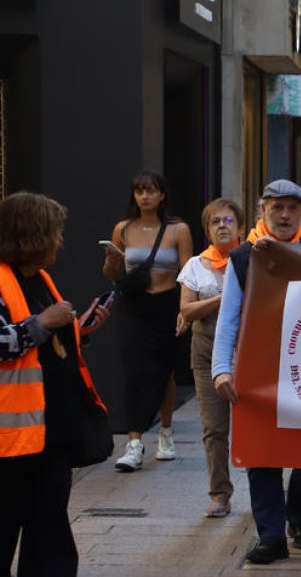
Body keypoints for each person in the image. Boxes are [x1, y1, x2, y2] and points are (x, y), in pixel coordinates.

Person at [211, 180, 301, 565]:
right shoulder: (243, 256)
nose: (284, 215)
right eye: (276, 207)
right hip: (259, 369)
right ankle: (271, 535)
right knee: (261, 452)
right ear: (262, 210)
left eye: (291, 208)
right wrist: (221, 369)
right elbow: (229, 318)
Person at [0, 192, 110, 577]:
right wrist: (43, 322)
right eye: (55, 231)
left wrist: (80, 330)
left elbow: (48, 348)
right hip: (9, 444)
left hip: (52, 436)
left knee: (50, 541)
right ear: (31, 234)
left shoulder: (41, 279)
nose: (61, 241)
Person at [101, 170, 193, 472]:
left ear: (162, 194)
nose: (145, 196)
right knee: (134, 372)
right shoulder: (123, 229)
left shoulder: (178, 230)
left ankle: (165, 431)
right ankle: (134, 442)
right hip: (133, 307)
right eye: (140, 191)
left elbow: (188, 274)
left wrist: (185, 310)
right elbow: (110, 273)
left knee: (164, 371)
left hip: (166, 304)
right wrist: (112, 261)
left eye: (151, 190)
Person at [176, 198, 245, 518]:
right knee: (214, 429)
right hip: (205, 353)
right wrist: (225, 297)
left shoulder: (251, 260)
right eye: (215, 222)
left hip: (246, 354)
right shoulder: (195, 265)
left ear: (240, 228)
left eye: (228, 221)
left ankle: (262, 490)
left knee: (252, 426)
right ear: (207, 230)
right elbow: (187, 310)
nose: (222, 226)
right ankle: (220, 494)